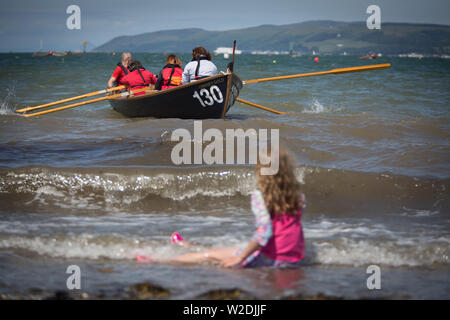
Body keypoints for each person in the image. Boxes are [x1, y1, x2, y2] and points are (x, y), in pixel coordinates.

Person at [137, 149, 306, 268]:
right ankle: (188, 245)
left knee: (210, 255)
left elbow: (264, 232)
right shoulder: (298, 197)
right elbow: (286, 230)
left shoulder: (260, 197)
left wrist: (240, 258)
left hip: (270, 259)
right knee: (223, 250)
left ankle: (157, 262)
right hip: (294, 257)